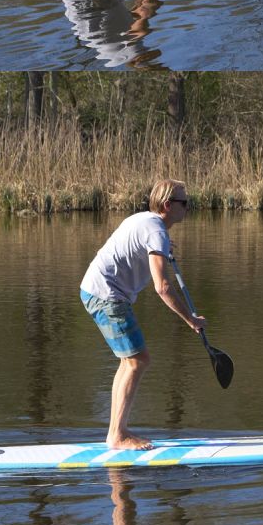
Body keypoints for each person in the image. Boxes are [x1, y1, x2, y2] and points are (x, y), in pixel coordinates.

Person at [79, 179, 205, 450]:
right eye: (185, 203)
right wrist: (190, 320)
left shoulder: (147, 222)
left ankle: (116, 432)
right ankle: (117, 435)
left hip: (96, 290)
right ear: (168, 205)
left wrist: (162, 248)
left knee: (130, 361)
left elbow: (142, 246)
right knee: (138, 360)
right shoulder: (156, 230)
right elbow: (162, 287)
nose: (188, 207)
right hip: (106, 294)